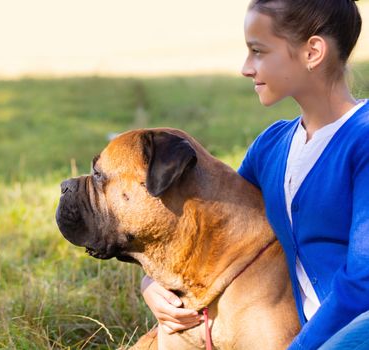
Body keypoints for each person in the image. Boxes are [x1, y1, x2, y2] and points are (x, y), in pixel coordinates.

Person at [141, 0, 369, 349]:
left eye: (258, 51)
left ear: (312, 52)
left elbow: (363, 280)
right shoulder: (271, 146)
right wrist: (152, 285)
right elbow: (218, 226)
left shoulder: (363, 140)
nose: (246, 68)